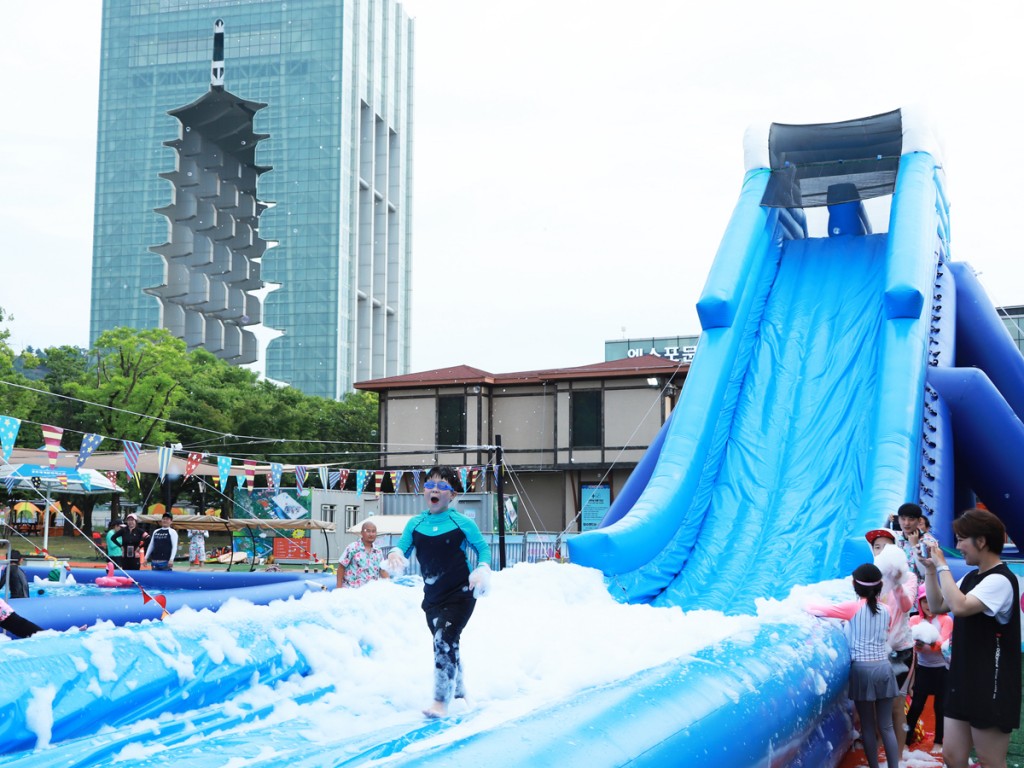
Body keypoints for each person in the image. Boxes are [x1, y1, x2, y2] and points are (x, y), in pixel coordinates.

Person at [919, 508, 1021, 768]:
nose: (958, 546)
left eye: (962, 539)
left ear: (982, 541)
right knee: (952, 756)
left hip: (991, 684)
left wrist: (942, 564)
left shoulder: (1000, 579)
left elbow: (961, 606)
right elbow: (939, 604)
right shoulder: (972, 576)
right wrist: (931, 570)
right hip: (963, 678)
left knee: (990, 761)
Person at [388, 466, 491, 718]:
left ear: (452, 494)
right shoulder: (416, 523)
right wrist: (395, 554)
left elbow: (483, 549)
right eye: (430, 485)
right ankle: (458, 689)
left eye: (442, 486)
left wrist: (482, 569)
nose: (435, 489)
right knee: (448, 643)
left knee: (442, 641)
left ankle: (440, 702)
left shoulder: (462, 522)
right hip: (432, 597)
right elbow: (403, 547)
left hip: (461, 593)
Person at [808, 562, 900, 768]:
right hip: (884, 667)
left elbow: (818, 610)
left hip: (863, 669)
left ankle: (875, 766)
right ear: (879, 586)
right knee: (887, 726)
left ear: (855, 586)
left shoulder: (852, 608)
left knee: (868, 726)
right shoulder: (886, 610)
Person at [866, 528, 918, 758]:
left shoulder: (909, 577)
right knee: (876, 704)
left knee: (896, 705)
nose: (881, 551)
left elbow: (907, 606)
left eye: (887, 546)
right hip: (876, 649)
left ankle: (897, 757)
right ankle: (879, 752)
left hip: (900, 650)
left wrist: (896, 583)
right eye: (877, 547)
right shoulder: (869, 578)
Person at [906, 584, 952, 755]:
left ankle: (939, 741)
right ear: (919, 602)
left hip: (942, 670)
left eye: (931, 600)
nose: (928, 605)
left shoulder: (946, 620)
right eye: (924, 601)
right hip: (923, 670)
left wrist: (930, 643)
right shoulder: (914, 620)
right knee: (916, 706)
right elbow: (912, 647)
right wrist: (917, 645)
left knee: (940, 708)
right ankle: (906, 741)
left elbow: (944, 645)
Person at [337, 521, 388, 588]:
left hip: (370, 592)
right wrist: (338, 588)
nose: (371, 534)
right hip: (351, 590)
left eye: (373, 531)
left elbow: (382, 570)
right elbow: (341, 567)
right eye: (368, 531)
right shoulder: (352, 548)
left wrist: (389, 585)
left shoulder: (378, 551)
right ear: (362, 533)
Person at [893, 502, 938, 580]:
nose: (906, 523)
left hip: (919, 589)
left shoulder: (929, 542)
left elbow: (924, 573)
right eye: (903, 519)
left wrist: (914, 545)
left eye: (911, 519)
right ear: (898, 519)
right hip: (897, 587)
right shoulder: (894, 537)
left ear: (919, 520)